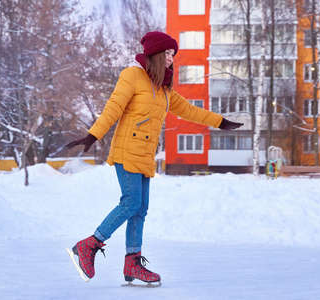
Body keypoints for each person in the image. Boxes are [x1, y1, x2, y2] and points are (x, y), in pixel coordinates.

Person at [65, 31, 243, 285]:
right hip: (127, 153)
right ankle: (90, 245)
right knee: (130, 203)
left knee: (140, 209)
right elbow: (113, 107)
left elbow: (190, 111)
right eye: (168, 53)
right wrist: (93, 135)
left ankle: (132, 262)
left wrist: (220, 122)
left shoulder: (163, 90)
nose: (172, 59)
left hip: (145, 157)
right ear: (157, 54)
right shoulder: (132, 76)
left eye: (174, 54)